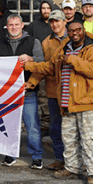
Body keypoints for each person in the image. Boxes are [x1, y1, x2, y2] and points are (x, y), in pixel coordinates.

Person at [21, 19, 93, 184]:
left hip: (88, 103)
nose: (74, 33)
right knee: (69, 138)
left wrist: (73, 60)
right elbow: (50, 67)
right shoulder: (63, 49)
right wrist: (29, 66)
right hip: (67, 102)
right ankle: (72, 168)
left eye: (78, 30)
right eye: (71, 30)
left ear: (83, 30)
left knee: (90, 139)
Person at [0, 14, 44, 169]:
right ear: (7, 26)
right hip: (8, 93)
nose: (14, 27)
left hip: (28, 91)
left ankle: (37, 156)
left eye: (16, 24)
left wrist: (30, 59)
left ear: (22, 25)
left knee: (32, 127)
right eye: (10, 25)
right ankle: (10, 155)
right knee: (10, 126)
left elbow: (41, 61)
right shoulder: (0, 43)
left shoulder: (33, 41)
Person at [27, 9, 69, 170]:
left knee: (72, 128)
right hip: (53, 92)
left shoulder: (74, 37)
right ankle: (59, 158)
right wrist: (32, 82)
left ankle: (74, 160)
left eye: (58, 21)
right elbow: (42, 68)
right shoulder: (46, 42)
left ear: (65, 21)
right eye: (52, 21)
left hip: (72, 92)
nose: (55, 24)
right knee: (55, 128)